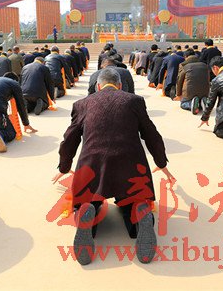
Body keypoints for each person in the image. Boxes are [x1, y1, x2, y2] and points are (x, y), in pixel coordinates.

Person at [52, 68, 175, 265]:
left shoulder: (82, 104)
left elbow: (69, 139)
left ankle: (86, 212)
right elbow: (151, 134)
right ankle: (139, 211)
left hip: (92, 166)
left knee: (89, 201)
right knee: (131, 201)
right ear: (120, 85)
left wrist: (64, 167)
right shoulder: (134, 101)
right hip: (131, 167)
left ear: (98, 86)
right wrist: (161, 163)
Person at [175, 49, 210, 115]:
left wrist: (178, 94)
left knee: (183, 104)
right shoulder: (204, 65)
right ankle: (203, 103)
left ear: (185, 57)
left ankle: (190, 104)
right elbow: (208, 79)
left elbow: (179, 81)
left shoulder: (184, 65)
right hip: (204, 92)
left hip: (189, 92)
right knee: (199, 101)